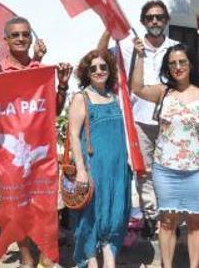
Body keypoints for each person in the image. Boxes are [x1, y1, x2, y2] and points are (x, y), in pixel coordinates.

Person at [0, 16, 72, 268]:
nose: (21, 38)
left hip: (40, 151)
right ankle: (25, 256)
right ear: (6, 39)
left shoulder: (39, 71)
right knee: (16, 206)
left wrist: (62, 85)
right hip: (10, 155)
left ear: (31, 38)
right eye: (16, 35)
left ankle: (45, 250)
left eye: (25, 34)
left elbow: (53, 110)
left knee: (46, 202)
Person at [131, 41, 199, 268]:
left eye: (182, 62)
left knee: (196, 220)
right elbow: (137, 88)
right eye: (172, 63)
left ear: (191, 64)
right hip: (166, 169)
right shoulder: (163, 92)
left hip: (198, 168)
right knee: (167, 221)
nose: (178, 67)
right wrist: (139, 56)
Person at [118, 0, 179, 236]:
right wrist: (109, 24)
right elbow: (100, 54)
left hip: (170, 120)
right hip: (140, 120)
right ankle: (151, 216)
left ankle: (169, 216)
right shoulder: (131, 47)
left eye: (159, 17)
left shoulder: (176, 47)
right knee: (144, 172)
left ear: (166, 20)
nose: (155, 21)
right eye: (150, 17)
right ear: (143, 21)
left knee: (170, 169)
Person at [68, 48, 132, 268]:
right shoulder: (81, 98)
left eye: (103, 67)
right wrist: (82, 170)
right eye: (93, 68)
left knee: (115, 212)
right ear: (86, 72)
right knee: (91, 214)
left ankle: (109, 256)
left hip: (117, 169)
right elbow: (74, 137)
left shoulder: (116, 97)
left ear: (109, 70)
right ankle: (91, 259)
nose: (98, 71)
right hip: (94, 167)